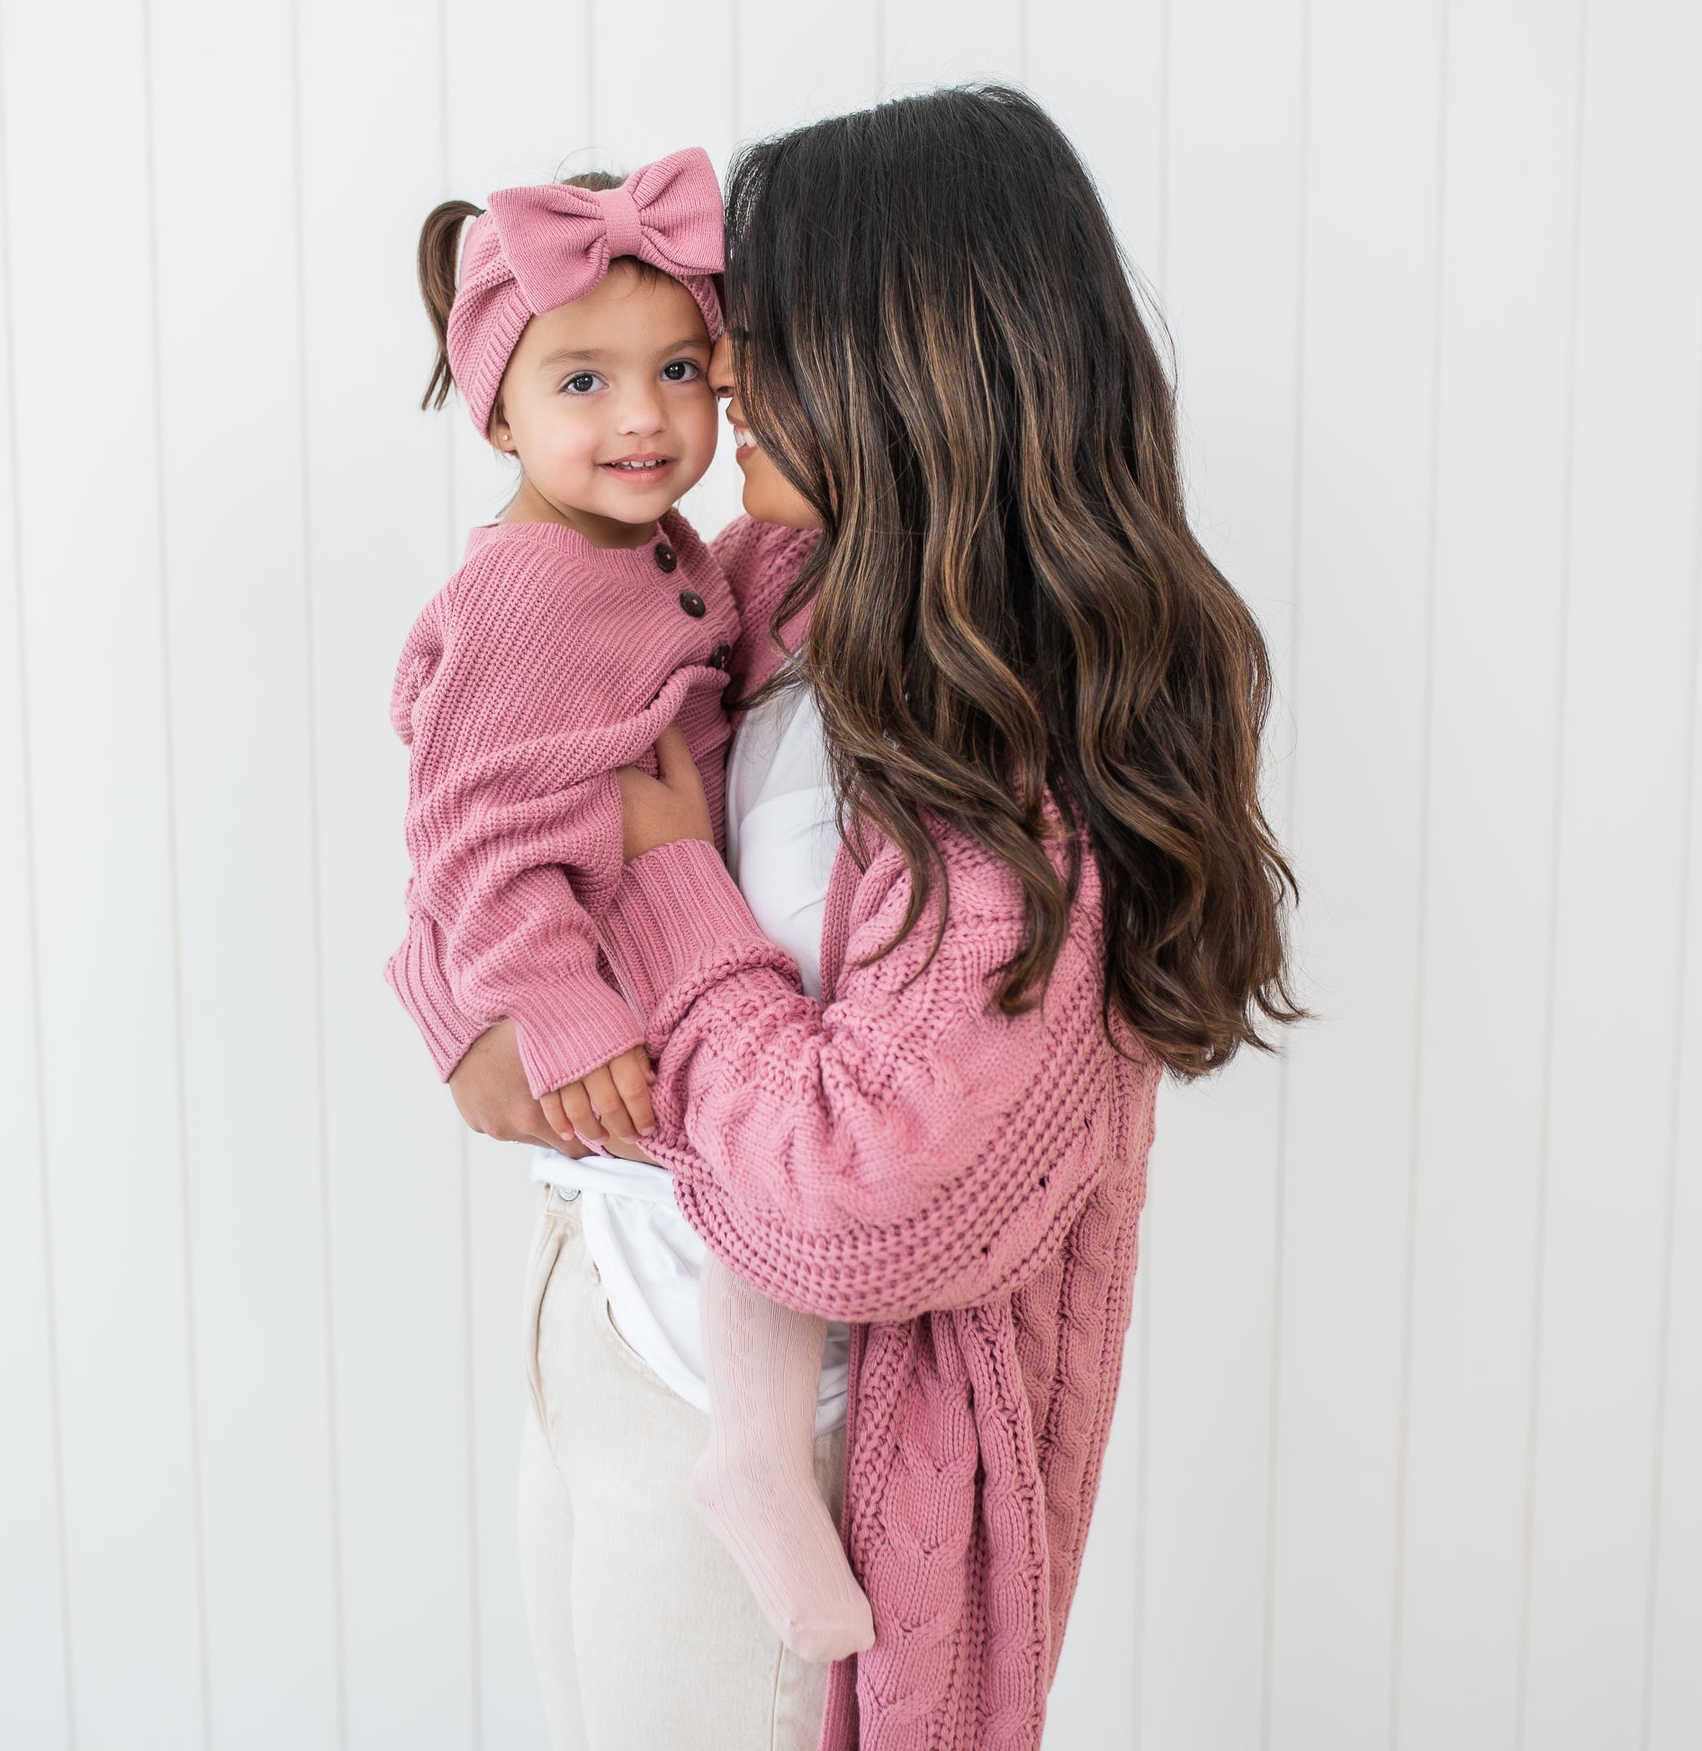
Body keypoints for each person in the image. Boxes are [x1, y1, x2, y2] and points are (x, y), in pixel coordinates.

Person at [436, 86, 1302, 1751]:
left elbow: (851, 1202)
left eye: (763, 332)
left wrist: (677, 900)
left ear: (907, 363)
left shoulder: (1012, 751)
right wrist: (467, 999)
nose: (723, 372)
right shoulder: (785, 589)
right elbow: (500, 767)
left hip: (785, 1452)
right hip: (610, 1323)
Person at [386, 145, 877, 1701]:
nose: (650, 418)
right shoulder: (536, 588)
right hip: (611, 1007)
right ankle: (749, 1449)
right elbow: (471, 842)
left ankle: (747, 1443)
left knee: (766, 1165)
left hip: (662, 1031)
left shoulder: (666, 555)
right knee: (747, 1164)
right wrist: (544, 1011)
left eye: (680, 370)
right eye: (582, 384)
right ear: (499, 410)